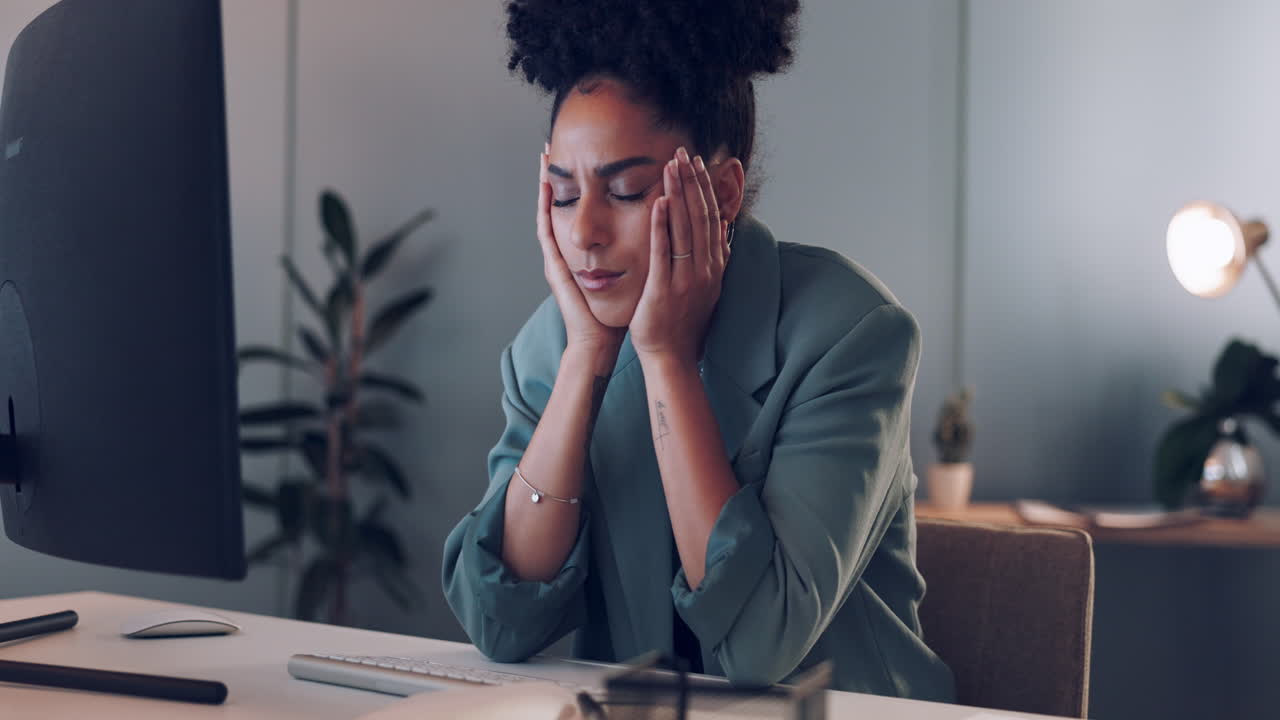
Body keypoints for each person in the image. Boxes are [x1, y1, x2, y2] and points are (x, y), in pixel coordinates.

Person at [442, 0, 955, 700]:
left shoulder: (848, 335)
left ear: (720, 191)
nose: (585, 230)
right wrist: (584, 362)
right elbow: (498, 623)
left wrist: (667, 359)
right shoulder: (552, 347)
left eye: (623, 191)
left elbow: (757, 646)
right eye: (562, 196)